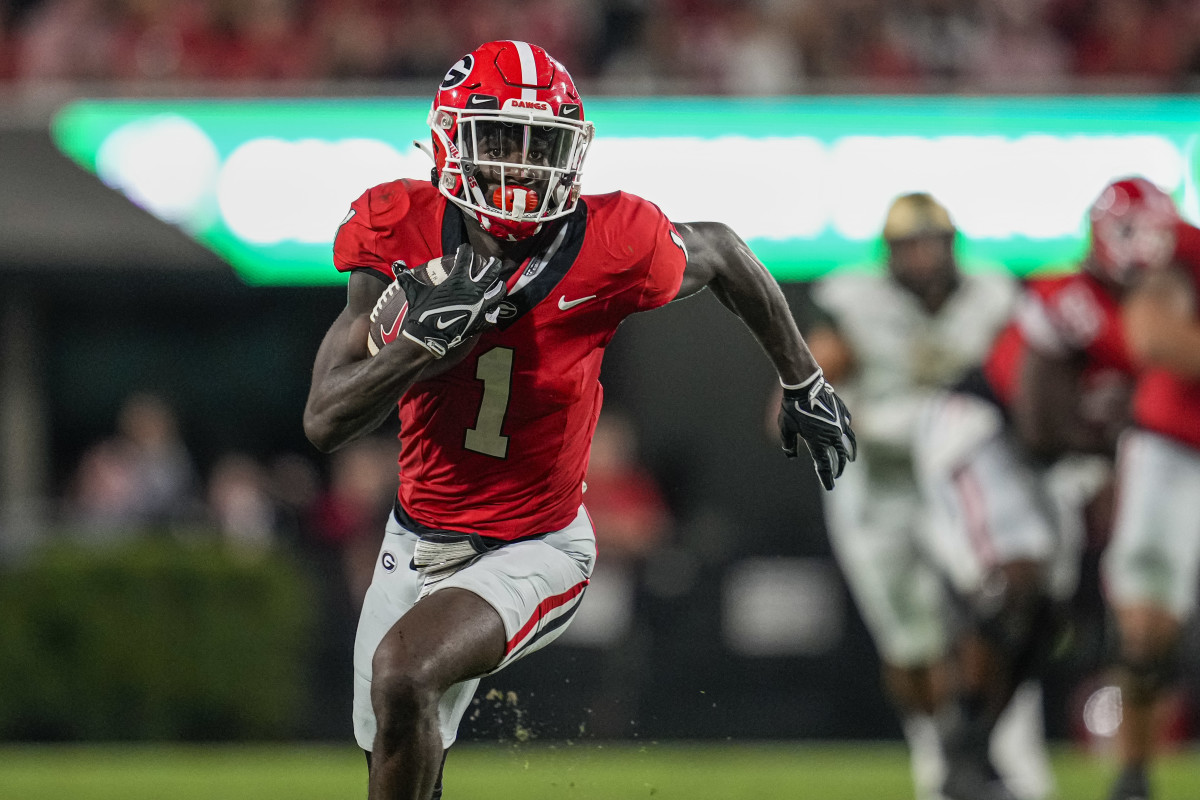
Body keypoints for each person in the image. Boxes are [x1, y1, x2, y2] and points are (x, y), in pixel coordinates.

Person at [302, 40, 856, 800]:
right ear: (449, 139)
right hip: (416, 533)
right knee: (396, 742)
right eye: (502, 139)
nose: (523, 165)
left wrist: (803, 377)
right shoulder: (399, 226)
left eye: (543, 144)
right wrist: (419, 346)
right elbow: (326, 420)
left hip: (537, 544)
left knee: (405, 671)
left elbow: (724, 252)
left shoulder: (610, 240)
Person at [911, 177, 1175, 800]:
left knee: (1050, 612)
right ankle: (959, 740)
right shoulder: (1072, 298)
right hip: (978, 433)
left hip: (1043, 461)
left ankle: (971, 751)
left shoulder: (1151, 314)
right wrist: (1117, 449)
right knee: (1016, 580)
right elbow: (1036, 422)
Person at [805, 192, 1053, 800]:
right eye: (906, 246)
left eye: (930, 243)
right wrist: (805, 407)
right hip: (881, 483)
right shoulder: (852, 299)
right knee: (910, 640)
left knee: (993, 611)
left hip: (965, 476)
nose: (919, 257)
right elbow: (816, 374)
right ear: (888, 254)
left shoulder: (993, 295)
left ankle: (1006, 759)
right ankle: (939, 758)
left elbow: (1024, 373)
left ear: (951, 246)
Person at [1101, 185, 1200, 800]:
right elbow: (1152, 337)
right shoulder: (1180, 249)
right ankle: (1133, 773)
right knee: (1146, 627)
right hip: (1172, 450)